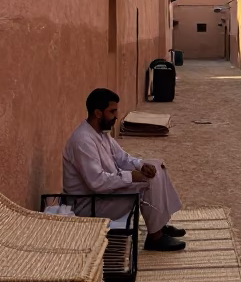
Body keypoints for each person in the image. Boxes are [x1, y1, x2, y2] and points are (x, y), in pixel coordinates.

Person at [62, 87, 186, 251]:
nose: (116, 116)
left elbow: (122, 158)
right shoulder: (83, 141)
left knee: (157, 166)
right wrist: (132, 176)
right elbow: (97, 182)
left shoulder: (101, 133)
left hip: (106, 195)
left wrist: (142, 165)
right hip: (89, 204)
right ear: (98, 113)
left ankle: (160, 223)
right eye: (112, 112)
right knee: (147, 183)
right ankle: (155, 238)